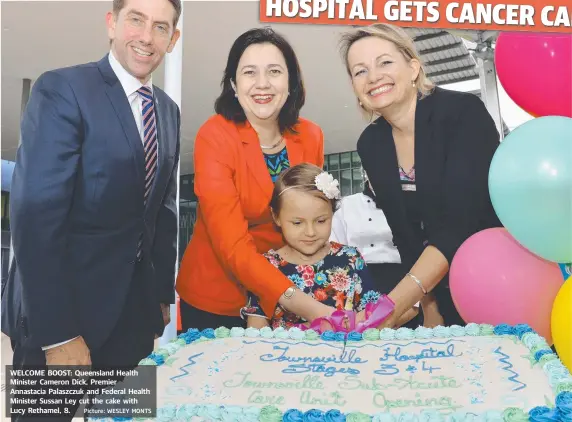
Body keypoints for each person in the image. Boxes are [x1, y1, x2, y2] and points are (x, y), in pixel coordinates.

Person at [1, 0, 181, 419]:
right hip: (61, 316)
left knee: (125, 418)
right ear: (111, 24)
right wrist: (56, 333)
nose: (146, 36)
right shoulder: (63, 89)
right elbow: (35, 215)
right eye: (135, 19)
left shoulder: (168, 113)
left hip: (133, 323)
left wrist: (158, 297)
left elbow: (162, 211)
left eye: (160, 27)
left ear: (172, 40)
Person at [338, 23, 502, 328]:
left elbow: (459, 223)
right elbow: (405, 234)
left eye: (385, 62)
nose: (373, 77)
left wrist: (389, 309)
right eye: (359, 71)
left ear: (413, 68)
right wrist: (429, 306)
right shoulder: (370, 143)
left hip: (494, 278)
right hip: (435, 286)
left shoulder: (462, 113)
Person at [176, 28, 334, 331]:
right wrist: (308, 306)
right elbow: (232, 244)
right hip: (221, 296)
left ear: (291, 82)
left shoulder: (311, 136)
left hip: (290, 291)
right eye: (250, 72)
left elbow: (309, 217)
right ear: (234, 84)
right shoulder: (215, 136)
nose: (263, 84)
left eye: (274, 71)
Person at [330, 172, 444, 328]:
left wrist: (412, 305)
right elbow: (334, 256)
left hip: (408, 290)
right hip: (356, 294)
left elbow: (429, 256)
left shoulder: (419, 206)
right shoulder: (346, 206)